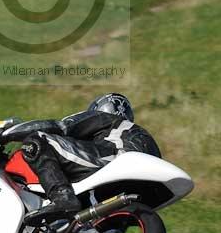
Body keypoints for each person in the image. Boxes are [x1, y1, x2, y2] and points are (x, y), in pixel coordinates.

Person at [18, 93, 161, 221]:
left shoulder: (104, 118)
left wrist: (9, 133)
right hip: (146, 190)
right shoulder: (140, 136)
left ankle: (62, 197)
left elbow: (62, 126)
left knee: (37, 140)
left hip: (114, 160)